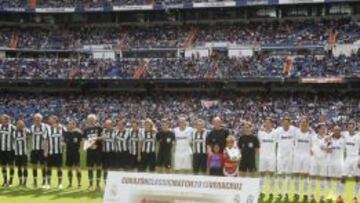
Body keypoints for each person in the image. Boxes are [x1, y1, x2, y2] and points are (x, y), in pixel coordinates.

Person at [274, 115, 297, 201]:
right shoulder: (278, 131)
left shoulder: (294, 130)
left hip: (290, 156)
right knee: (280, 174)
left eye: (287, 123)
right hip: (280, 156)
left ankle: (286, 193)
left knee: (288, 175)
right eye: (284, 123)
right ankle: (280, 193)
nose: (286, 124)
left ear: (290, 123)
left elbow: (303, 132)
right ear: (282, 123)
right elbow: (272, 137)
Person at [292, 116, 313, 201]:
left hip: (307, 156)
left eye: (305, 122)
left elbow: (315, 143)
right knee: (296, 175)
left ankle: (305, 194)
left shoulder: (311, 133)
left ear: (307, 123)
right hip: (297, 156)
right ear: (300, 123)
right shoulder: (295, 132)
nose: (303, 123)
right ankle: (296, 193)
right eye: (301, 122)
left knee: (306, 175)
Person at [44, 115, 66, 189]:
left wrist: (64, 143)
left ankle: (60, 183)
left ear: (55, 120)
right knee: (48, 168)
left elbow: (66, 138)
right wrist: (46, 151)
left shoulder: (62, 128)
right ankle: (48, 184)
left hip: (59, 152)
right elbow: (46, 141)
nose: (49, 120)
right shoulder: (48, 129)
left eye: (50, 119)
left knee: (59, 168)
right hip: (50, 152)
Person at [309, 123, 329, 202]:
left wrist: (324, 148)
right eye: (322, 128)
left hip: (323, 160)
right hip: (314, 159)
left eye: (324, 128)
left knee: (322, 178)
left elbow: (329, 149)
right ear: (318, 129)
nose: (324, 130)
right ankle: (312, 195)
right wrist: (311, 150)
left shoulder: (327, 138)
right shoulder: (313, 137)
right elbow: (310, 147)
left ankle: (322, 196)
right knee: (313, 178)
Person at [341, 120, 360, 202]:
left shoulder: (358, 137)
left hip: (356, 158)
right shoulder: (345, 135)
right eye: (348, 127)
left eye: (351, 127)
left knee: (357, 178)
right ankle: (340, 196)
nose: (349, 128)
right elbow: (335, 134)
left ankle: (355, 197)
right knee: (343, 177)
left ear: (354, 127)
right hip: (347, 158)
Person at [258, 117, 277, 198]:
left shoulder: (275, 132)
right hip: (263, 156)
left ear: (271, 124)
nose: (267, 124)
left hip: (272, 156)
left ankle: (271, 192)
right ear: (264, 123)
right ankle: (261, 192)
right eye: (266, 122)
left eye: (269, 122)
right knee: (262, 174)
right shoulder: (260, 133)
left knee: (271, 174)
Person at [83, 114, 103, 190]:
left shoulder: (99, 128)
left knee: (98, 167)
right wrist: (90, 145)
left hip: (98, 151)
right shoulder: (86, 129)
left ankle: (98, 185)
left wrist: (96, 139)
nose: (91, 121)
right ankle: (90, 184)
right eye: (89, 119)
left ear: (95, 120)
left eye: (92, 119)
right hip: (90, 151)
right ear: (88, 120)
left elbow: (103, 137)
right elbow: (84, 139)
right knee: (90, 168)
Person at [30, 113, 48, 188]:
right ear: (34, 119)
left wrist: (46, 150)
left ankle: (44, 181)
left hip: (42, 150)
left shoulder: (45, 127)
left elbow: (46, 139)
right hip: (34, 149)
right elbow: (31, 137)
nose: (37, 119)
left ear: (41, 119)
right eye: (35, 118)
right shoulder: (32, 127)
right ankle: (35, 182)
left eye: (38, 118)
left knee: (43, 166)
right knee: (34, 166)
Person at [327, 125, 346, 202]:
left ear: (340, 131)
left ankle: (340, 196)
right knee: (330, 180)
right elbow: (327, 149)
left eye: (338, 130)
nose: (337, 131)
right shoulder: (329, 140)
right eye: (335, 130)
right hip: (331, 162)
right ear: (333, 131)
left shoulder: (343, 139)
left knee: (340, 180)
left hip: (340, 162)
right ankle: (331, 195)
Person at [63, 119, 83, 188]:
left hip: (76, 153)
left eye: (71, 124)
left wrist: (80, 149)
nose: (69, 125)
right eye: (69, 124)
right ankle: (70, 183)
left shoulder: (78, 133)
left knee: (77, 168)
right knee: (69, 168)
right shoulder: (66, 133)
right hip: (68, 153)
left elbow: (81, 142)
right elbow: (64, 142)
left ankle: (79, 183)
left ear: (74, 125)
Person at [0, 114, 16, 187]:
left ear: (7, 119)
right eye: (1, 119)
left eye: (3, 119)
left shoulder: (12, 127)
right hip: (2, 150)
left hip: (10, 150)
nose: (1, 120)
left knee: (11, 165)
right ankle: (5, 180)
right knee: (3, 166)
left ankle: (10, 181)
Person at [13, 119, 30, 187]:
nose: (19, 125)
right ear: (16, 125)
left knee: (25, 167)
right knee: (19, 168)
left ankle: (25, 182)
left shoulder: (26, 130)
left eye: (21, 124)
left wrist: (24, 129)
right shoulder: (14, 132)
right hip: (17, 153)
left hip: (24, 153)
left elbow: (30, 133)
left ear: (23, 124)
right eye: (18, 124)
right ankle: (20, 182)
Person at [101, 119, 115, 185]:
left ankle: (112, 183)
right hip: (105, 153)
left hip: (112, 153)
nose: (107, 126)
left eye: (108, 124)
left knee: (112, 168)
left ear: (111, 125)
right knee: (105, 168)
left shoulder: (115, 131)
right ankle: (105, 183)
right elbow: (101, 141)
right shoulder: (103, 131)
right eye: (106, 124)